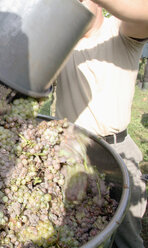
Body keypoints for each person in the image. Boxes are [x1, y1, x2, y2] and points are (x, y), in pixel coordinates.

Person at [54, 0, 148, 247]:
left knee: (126, 233)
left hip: (116, 152)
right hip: (70, 150)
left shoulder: (119, 31)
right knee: (74, 226)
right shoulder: (62, 43)